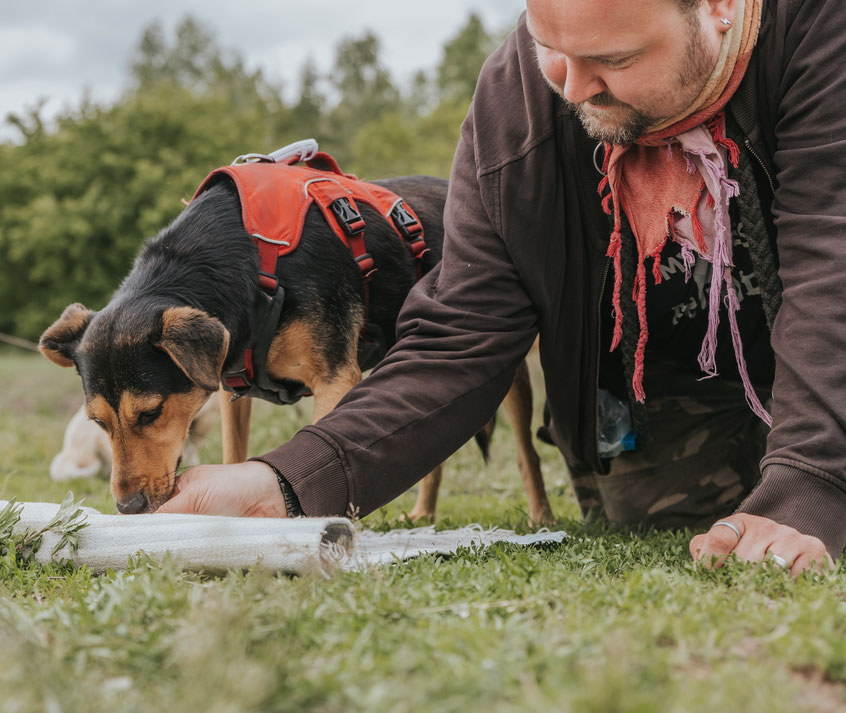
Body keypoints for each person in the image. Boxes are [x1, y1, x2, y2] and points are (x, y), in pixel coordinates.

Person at [158, 0, 844, 577]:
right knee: (668, 531)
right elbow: (461, 332)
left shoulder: (821, 32)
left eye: (617, 60)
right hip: (654, 372)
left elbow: (832, 267)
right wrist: (286, 481)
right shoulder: (520, 97)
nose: (572, 89)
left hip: (820, 336)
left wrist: (811, 482)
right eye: (551, 46)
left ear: (721, 7)